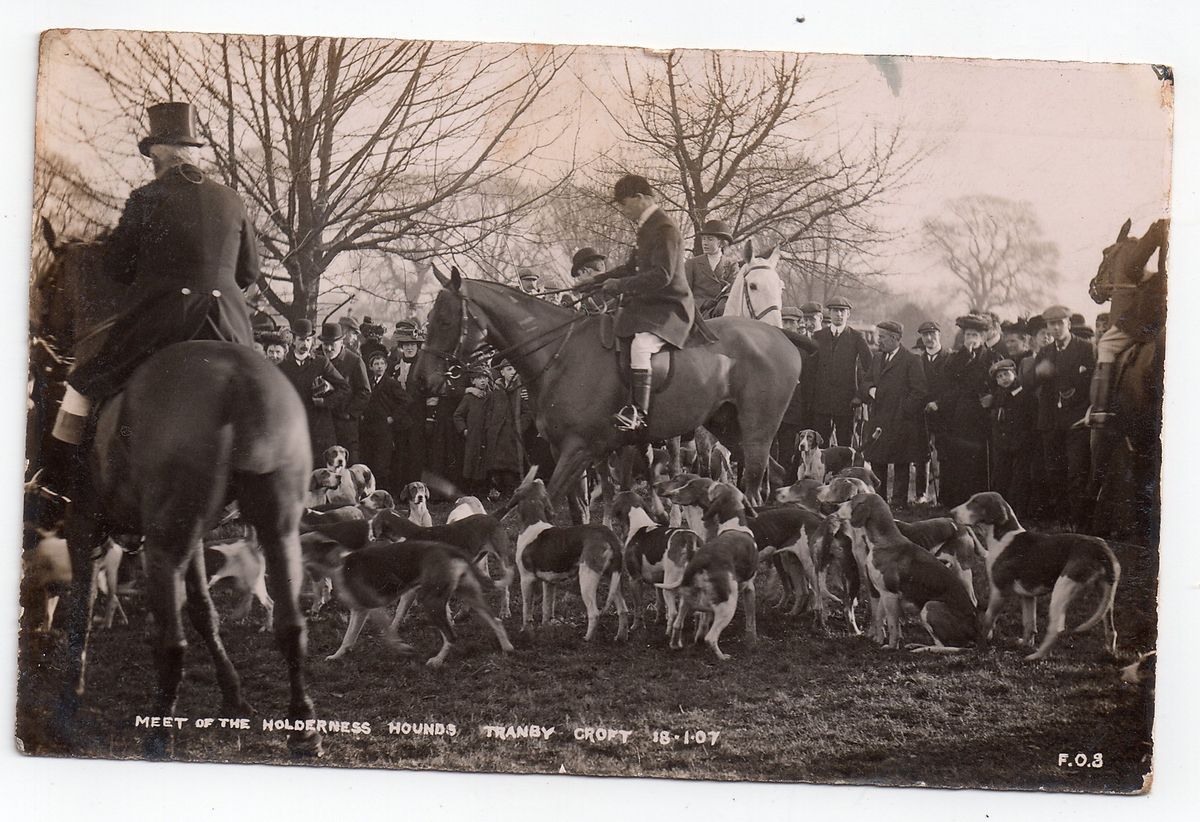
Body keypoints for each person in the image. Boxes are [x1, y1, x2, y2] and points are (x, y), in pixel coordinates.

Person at [51, 102, 260, 458]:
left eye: (152, 156)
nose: (153, 164)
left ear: (159, 154)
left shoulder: (145, 198)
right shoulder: (232, 199)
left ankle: (62, 464)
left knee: (86, 379)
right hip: (231, 326)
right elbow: (249, 273)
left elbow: (117, 268)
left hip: (163, 321)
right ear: (192, 153)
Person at [573, 174, 696, 432]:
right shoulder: (647, 227)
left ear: (639, 198)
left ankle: (638, 412)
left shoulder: (664, 229)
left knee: (641, 345)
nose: (623, 209)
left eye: (624, 203)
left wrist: (618, 286)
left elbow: (662, 275)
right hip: (649, 306)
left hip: (669, 307)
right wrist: (597, 280)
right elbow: (631, 268)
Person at [1031, 305, 1094, 529]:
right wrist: (1039, 373)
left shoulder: (1086, 348)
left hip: (1077, 421)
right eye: (1051, 324)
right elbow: (1031, 385)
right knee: (1054, 473)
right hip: (1051, 422)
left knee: (1076, 473)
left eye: (1060, 323)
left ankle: (1079, 522)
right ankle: (1063, 521)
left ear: (1069, 323)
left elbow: (1093, 384)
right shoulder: (1046, 352)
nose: (1056, 328)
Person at [861, 321, 928, 508]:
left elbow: (920, 392)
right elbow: (865, 382)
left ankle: (899, 502)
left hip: (901, 422)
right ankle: (879, 500)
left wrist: (903, 410)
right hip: (879, 419)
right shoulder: (877, 358)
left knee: (901, 462)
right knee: (877, 461)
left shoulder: (911, 360)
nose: (878, 341)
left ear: (895, 338)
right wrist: (871, 391)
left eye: (881, 337)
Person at [939, 314, 1001, 508]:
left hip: (980, 417)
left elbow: (999, 384)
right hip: (959, 416)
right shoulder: (956, 358)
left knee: (979, 459)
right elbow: (948, 380)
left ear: (983, 338)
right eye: (967, 335)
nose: (971, 340)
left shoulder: (993, 357)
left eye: (975, 335)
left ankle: (978, 500)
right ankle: (956, 500)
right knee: (958, 457)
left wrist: (992, 399)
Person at [278, 318, 351, 458]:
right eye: (301, 339)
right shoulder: (283, 366)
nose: (305, 343)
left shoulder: (321, 362)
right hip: (294, 429)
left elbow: (344, 388)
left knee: (322, 474)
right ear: (293, 340)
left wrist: (326, 402)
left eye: (308, 340)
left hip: (320, 430)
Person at [810, 295, 872, 448]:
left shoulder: (857, 337)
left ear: (848, 314)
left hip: (846, 401)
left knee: (845, 444)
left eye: (842, 311)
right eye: (835, 311)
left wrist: (860, 395)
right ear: (829, 313)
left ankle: (844, 472)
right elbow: (811, 368)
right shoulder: (818, 336)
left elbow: (870, 367)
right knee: (820, 445)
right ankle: (823, 473)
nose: (839, 315)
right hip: (821, 401)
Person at [987, 358, 1036, 518]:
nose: (1003, 379)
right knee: (1000, 477)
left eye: (1006, 374)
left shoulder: (1024, 393)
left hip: (1021, 443)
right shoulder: (998, 395)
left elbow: (1030, 419)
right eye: (999, 377)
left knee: (1020, 479)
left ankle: (1019, 513)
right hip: (1002, 444)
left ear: (1014, 374)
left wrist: (1023, 439)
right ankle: (1000, 513)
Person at [359, 348, 410, 495]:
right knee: (370, 460)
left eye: (382, 363)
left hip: (384, 429)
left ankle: (385, 495)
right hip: (368, 428)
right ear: (371, 367)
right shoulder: (368, 382)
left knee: (383, 463)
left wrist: (393, 417)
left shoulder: (391, 383)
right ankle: (370, 494)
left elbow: (406, 401)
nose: (379, 366)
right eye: (376, 364)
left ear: (386, 366)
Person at [320, 321, 371, 464]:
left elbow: (365, 392)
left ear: (341, 342)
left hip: (345, 426)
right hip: (323, 423)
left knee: (348, 468)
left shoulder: (354, 361)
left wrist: (349, 413)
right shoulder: (318, 360)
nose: (328, 348)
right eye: (325, 344)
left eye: (333, 344)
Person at [483, 360, 531, 498]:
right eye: (509, 369)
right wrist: (489, 427)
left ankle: (511, 490)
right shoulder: (495, 390)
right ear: (502, 372)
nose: (513, 372)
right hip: (496, 432)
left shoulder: (521, 390)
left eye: (515, 369)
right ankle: (495, 489)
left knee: (511, 463)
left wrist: (519, 426)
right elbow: (489, 410)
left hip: (512, 434)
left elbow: (527, 412)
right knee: (495, 462)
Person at [915, 321, 950, 504]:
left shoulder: (950, 358)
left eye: (932, 334)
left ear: (939, 334)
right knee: (922, 453)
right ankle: (922, 494)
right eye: (925, 335)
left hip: (944, 414)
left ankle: (944, 494)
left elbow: (953, 388)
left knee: (944, 453)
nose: (929, 338)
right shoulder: (918, 361)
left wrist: (939, 403)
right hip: (923, 414)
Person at [684, 219, 739, 318]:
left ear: (721, 243)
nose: (705, 243)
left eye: (710, 239)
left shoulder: (732, 265)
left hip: (723, 313)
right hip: (697, 315)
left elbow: (734, 288)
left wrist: (724, 300)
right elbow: (683, 292)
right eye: (703, 239)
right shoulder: (692, 264)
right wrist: (702, 303)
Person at [454, 366, 492, 494]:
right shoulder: (469, 398)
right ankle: (470, 490)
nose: (483, 381)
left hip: (488, 435)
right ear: (473, 381)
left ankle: (484, 490)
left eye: (485, 378)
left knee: (486, 462)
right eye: (479, 378)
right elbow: (457, 415)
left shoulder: (492, 396)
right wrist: (463, 430)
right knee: (472, 462)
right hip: (473, 436)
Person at [569, 247, 612, 314]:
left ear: (587, 271)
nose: (579, 280)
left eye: (579, 276)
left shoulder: (594, 294)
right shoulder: (614, 285)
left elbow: (585, 317)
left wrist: (576, 303)